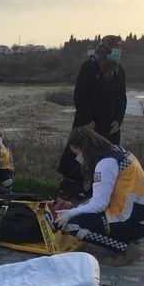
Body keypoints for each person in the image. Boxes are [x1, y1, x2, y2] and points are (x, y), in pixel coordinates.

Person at [54, 126, 144, 267]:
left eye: (77, 153)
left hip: (133, 222)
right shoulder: (116, 152)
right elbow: (102, 197)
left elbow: (99, 204)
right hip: (142, 217)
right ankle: (124, 238)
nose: (78, 158)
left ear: (85, 149)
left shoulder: (105, 164)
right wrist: (77, 207)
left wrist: (71, 212)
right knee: (82, 214)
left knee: (72, 224)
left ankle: (126, 248)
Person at [57, 35, 126, 198]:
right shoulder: (89, 66)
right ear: (107, 48)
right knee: (82, 157)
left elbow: (121, 97)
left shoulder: (119, 70)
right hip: (88, 124)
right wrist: (87, 120)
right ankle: (76, 190)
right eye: (117, 46)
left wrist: (118, 119)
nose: (119, 50)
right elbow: (79, 95)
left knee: (107, 159)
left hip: (109, 126)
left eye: (120, 47)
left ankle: (102, 191)